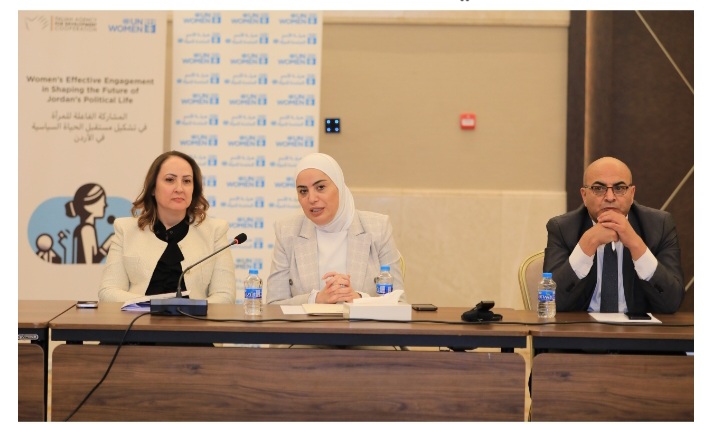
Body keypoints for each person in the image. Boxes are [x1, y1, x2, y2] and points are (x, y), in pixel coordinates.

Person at [543, 156, 684, 314]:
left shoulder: (659, 225)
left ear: (632, 194)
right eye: (598, 188)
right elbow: (550, 301)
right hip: (583, 327)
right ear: (584, 195)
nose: (610, 197)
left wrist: (636, 245)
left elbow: (672, 302)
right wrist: (587, 244)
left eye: (619, 188)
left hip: (639, 328)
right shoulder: (562, 228)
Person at [266, 152, 405, 305]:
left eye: (320, 187)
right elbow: (273, 305)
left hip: (361, 322)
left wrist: (358, 299)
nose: (312, 198)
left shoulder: (378, 228)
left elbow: (399, 303)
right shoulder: (287, 231)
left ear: (339, 186)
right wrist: (315, 299)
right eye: (303, 191)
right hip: (307, 322)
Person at [99, 151, 236, 304]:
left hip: (194, 319)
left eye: (187, 181)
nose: (179, 188)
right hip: (139, 318)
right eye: (170, 180)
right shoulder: (126, 230)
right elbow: (108, 292)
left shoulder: (215, 231)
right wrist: (154, 305)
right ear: (152, 188)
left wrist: (192, 309)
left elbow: (225, 296)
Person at [65, 183, 112, 264]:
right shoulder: (87, 229)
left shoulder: (85, 228)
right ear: (89, 206)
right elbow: (89, 264)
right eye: (103, 201)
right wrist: (108, 243)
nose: (105, 205)